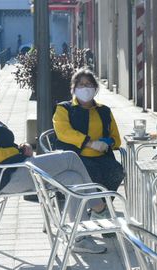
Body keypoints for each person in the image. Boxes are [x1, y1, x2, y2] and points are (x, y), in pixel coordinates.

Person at [0, 76, 107, 254]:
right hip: (9, 178)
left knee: (72, 178)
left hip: (20, 169)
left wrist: (20, 146)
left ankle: (79, 238)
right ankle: (98, 205)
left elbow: (3, 147)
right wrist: (19, 152)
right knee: (70, 158)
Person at [53, 69, 124, 218]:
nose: (85, 88)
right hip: (76, 158)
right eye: (81, 84)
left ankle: (99, 210)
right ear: (74, 88)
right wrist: (89, 143)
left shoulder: (104, 111)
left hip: (101, 156)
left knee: (117, 171)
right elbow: (63, 132)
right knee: (93, 174)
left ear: (96, 88)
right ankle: (101, 211)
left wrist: (108, 143)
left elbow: (116, 138)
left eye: (89, 84)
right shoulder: (64, 109)